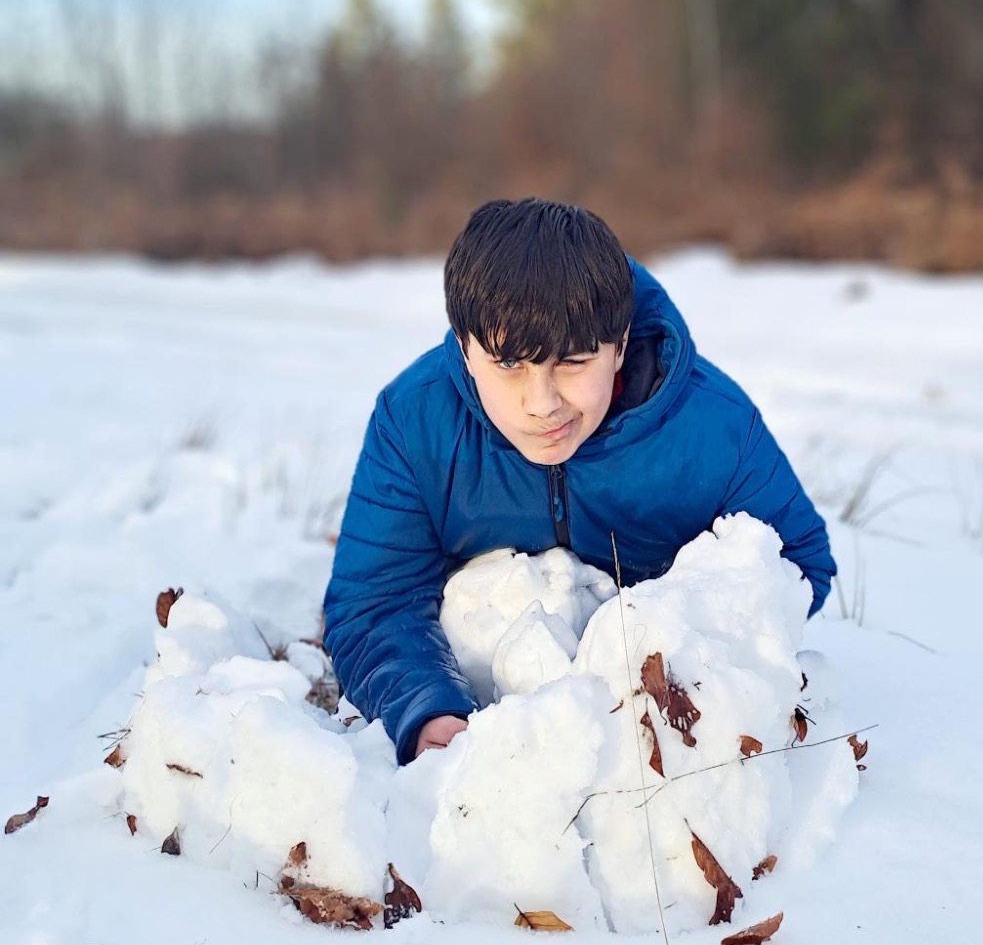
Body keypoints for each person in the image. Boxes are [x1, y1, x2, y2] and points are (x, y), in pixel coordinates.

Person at [324, 198, 835, 762]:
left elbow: (797, 565)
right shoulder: (414, 421)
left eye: (572, 362)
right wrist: (426, 708)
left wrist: (672, 641)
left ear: (619, 345)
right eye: (509, 364)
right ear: (465, 349)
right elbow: (375, 601)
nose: (542, 403)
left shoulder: (714, 428)